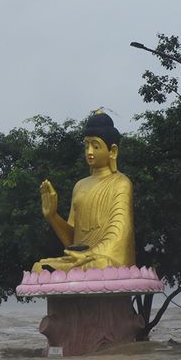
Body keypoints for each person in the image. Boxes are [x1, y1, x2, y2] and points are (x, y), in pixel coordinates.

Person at [32, 110, 135, 272]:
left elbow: (118, 236)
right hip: (81, 260)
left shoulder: (121, 183)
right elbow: (73, 243)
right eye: (86, 146)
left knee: (101, 264)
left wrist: (88, 255)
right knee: (39, 268)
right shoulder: (79, 186)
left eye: (95, 146)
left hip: (105, 259)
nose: (89, 152)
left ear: (113, 151)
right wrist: (52, 216)